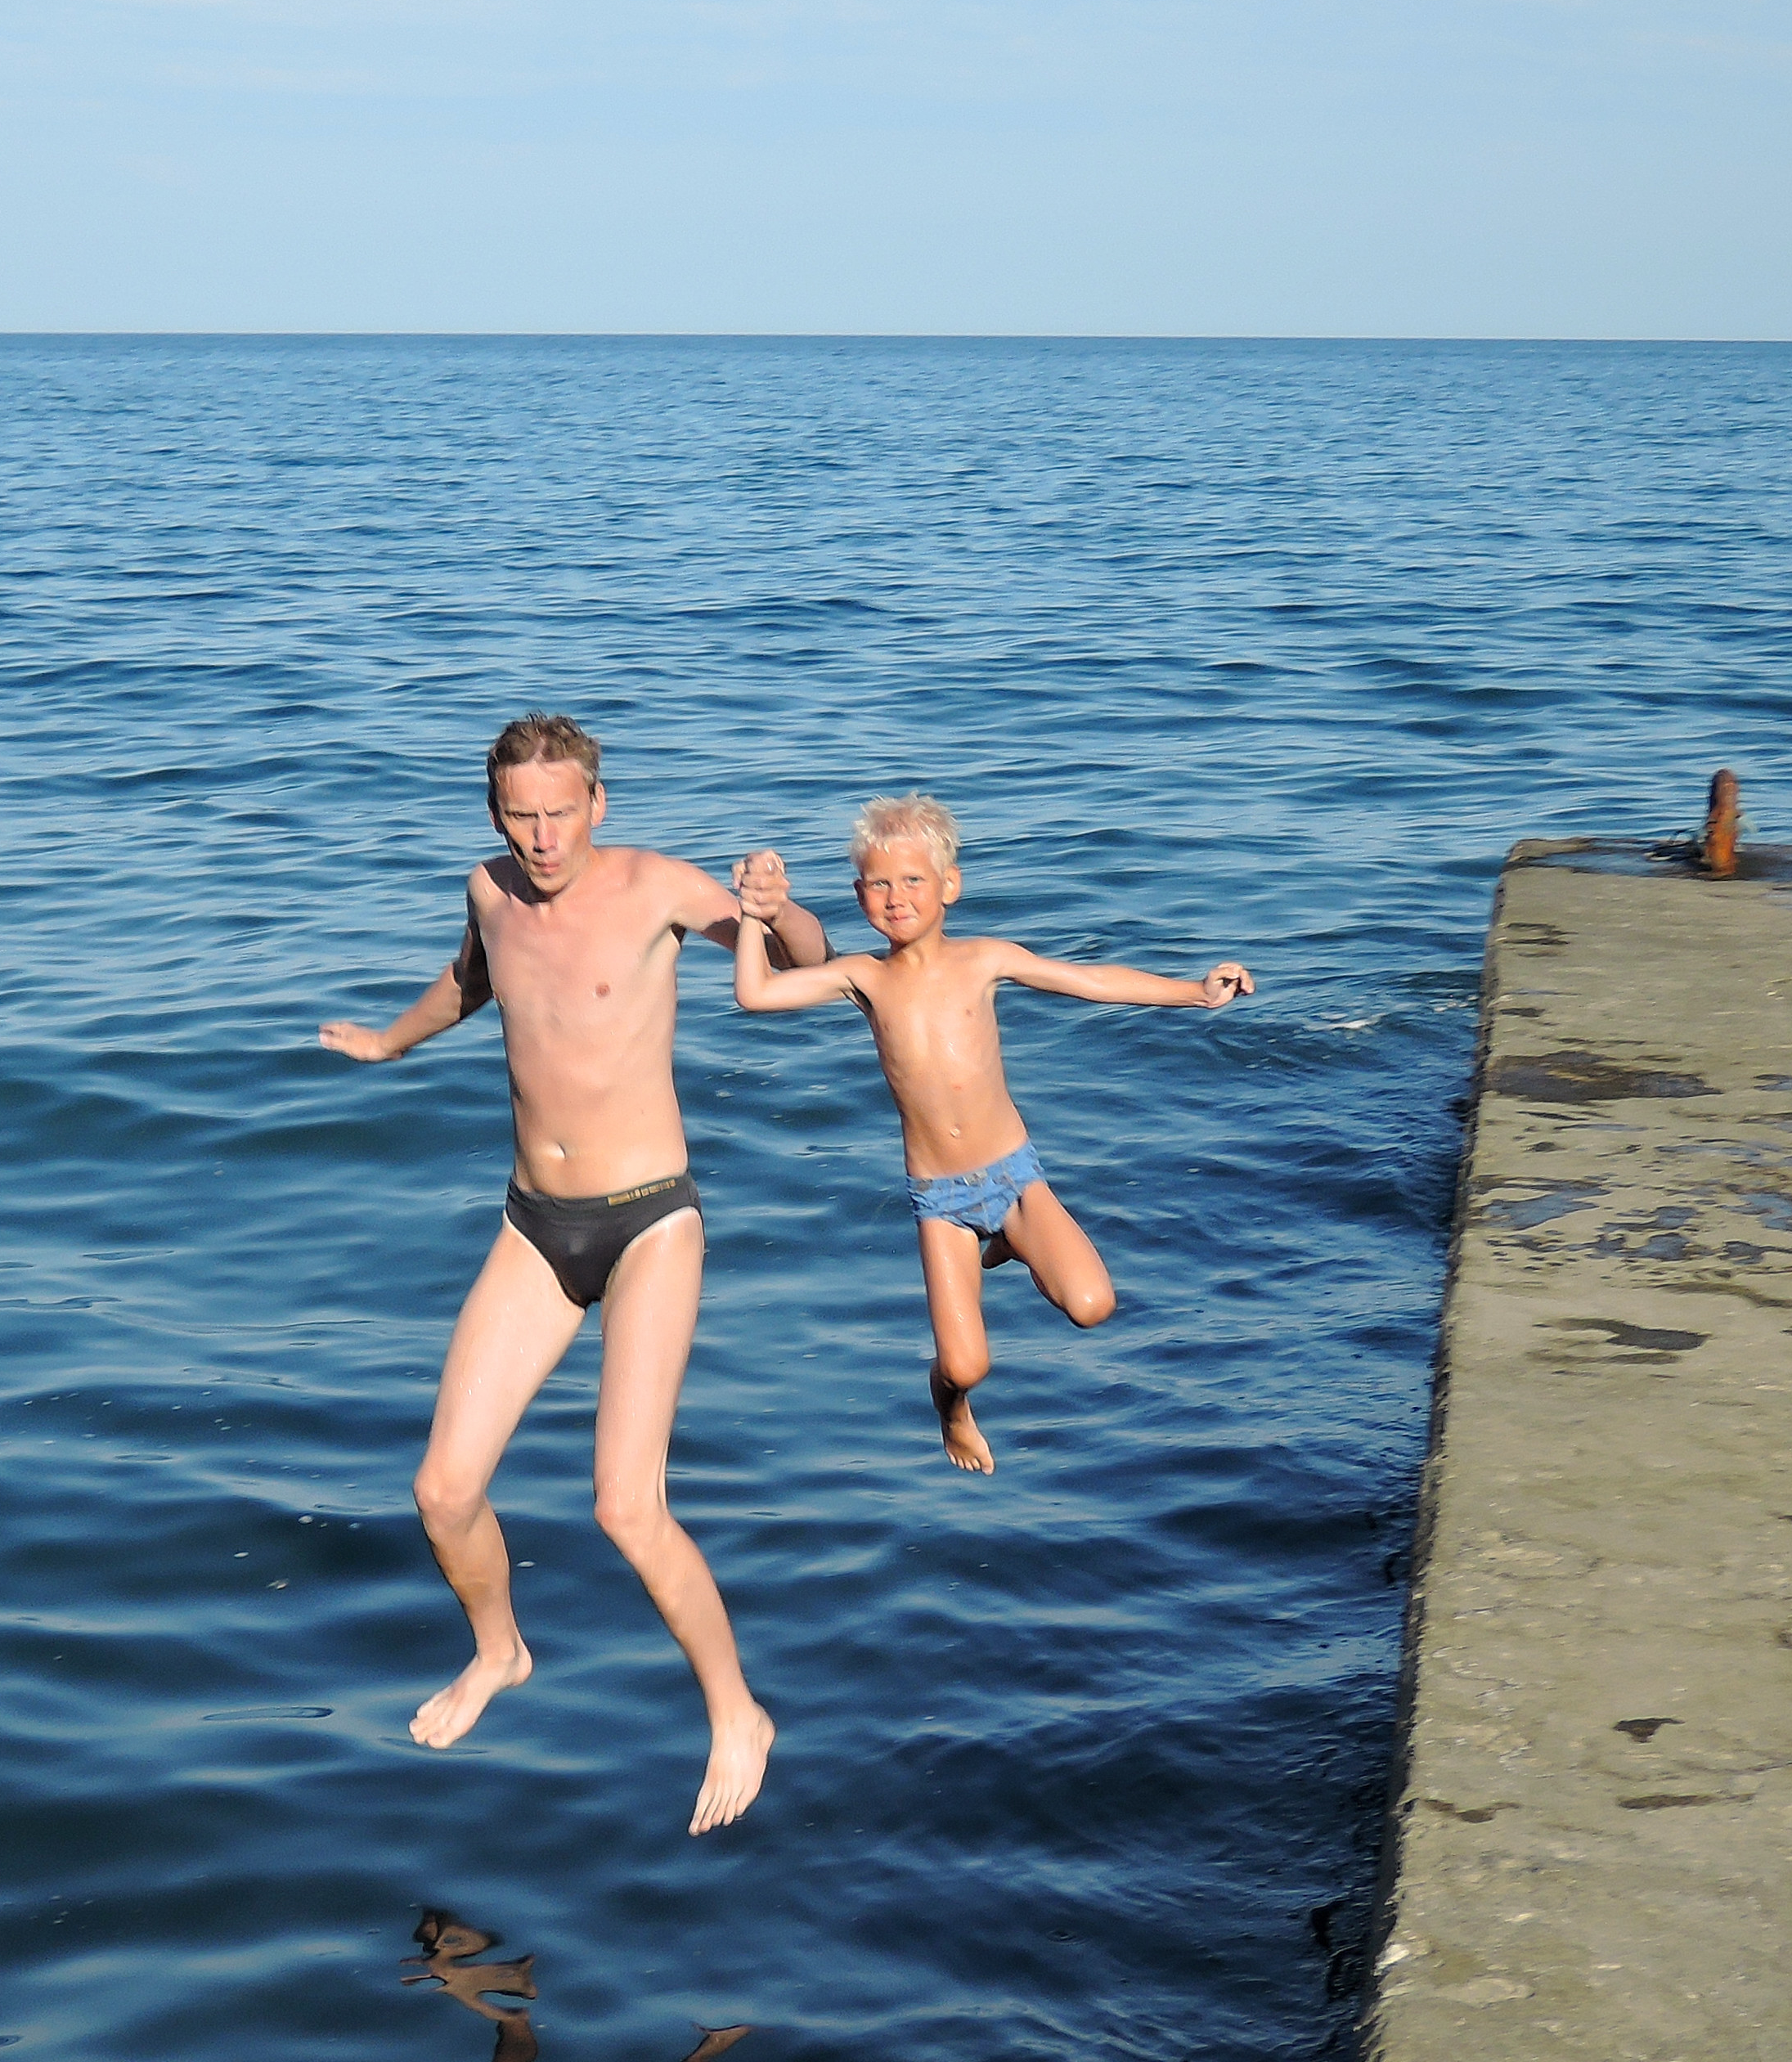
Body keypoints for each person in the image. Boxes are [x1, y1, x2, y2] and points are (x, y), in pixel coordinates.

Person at [319, 713, 829, 1834]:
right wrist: (390, 1042)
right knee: (441, 1492)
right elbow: (469, 983)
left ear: (598, 802)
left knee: (624, 1506)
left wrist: (778, 907)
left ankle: (736, 1710)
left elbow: (806, 963)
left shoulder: (657, 889)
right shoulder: (488, 890)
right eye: (522, 817)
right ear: (494, 814)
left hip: (649, 1222)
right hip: (532, 1226)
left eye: (560, 813)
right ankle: (499, 1650)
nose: (543, 838)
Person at [731, 793, 1252, 1476]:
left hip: (1013, 1175)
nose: (896, 897)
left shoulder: (984, 960)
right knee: (964, 1365)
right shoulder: (864, 978)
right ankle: (950, 1410)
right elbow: (756, 993)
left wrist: (1195, 991)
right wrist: (753, 914)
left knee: (1092, 1305)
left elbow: (1091, 981)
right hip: (940, 1199)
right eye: (879, 884)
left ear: (950, 885)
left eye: (913, 879)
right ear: (859, 896)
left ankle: (1012, 1239)